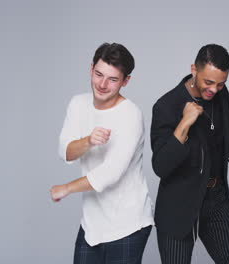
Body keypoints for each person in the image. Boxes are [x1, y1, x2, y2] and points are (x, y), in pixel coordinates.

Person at [50, 43, 154, 264]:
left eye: (113, 79)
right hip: (92, 224)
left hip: (129, 224)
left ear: (126, 81)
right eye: (98, 74)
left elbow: (110, 174)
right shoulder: (78, 104)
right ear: (91, 69)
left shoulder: (130, 114)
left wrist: (66, 188)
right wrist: (88, 141)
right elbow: (65, 151)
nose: (102, 84)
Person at [151, 44, 229, 264]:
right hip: (178, 206)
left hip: (215, 199)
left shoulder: (220, 95)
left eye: (220, 83)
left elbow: (221, 140)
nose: (214, 90)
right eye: (208, 82)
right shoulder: (166, 106)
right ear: (194, 69)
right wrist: (185, 123)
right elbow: (160, 166)